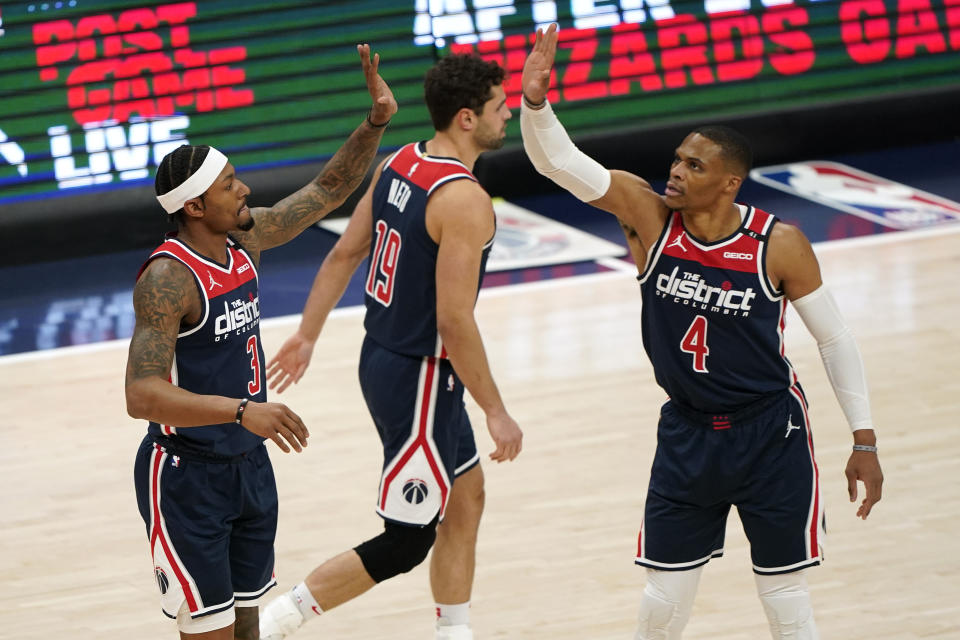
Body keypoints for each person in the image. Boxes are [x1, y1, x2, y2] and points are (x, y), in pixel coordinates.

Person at [519, 25, 884, 639]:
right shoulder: (649, 216)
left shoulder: (779, 243)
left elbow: (834, 339)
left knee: (785, 595)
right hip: (688, 432)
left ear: (729, 182)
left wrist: (865, 441)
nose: (677, 172)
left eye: (695, 165)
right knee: (663, 599)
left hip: (771, 433)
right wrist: (535, 103)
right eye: (677, 160)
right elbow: (561, 163)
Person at [125, 44, 397, 640]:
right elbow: (142, 395)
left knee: (250, 627)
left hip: (248, 465)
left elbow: (327, 190)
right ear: (195, 206)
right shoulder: (168, 279)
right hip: (187, 476)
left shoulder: (245, 241)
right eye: (229, 185)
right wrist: (244, 411)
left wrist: (374, 123)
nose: (244, 189)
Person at [257, 53, 523, 640]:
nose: (510, 116)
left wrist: (307, 333)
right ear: (466, 119)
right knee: (406, 541)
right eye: (501, 107)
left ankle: (454, 631)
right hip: (422, 378)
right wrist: (496, 411)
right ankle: (277, 621)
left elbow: (343, 253)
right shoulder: (465, 199)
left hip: (382, 359)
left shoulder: (402, 162)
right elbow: (454, 322)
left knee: (468, 493)